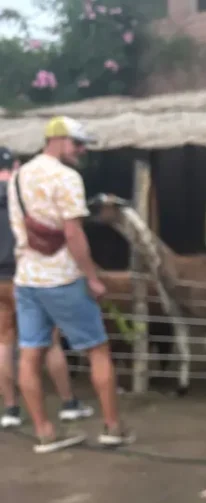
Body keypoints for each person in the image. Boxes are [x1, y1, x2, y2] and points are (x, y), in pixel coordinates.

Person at [7, 117, 132, 453]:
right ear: (59, 140)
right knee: (98, 349)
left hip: (27, 279)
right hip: (62, 278)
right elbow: (73, 233)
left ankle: (45, 432)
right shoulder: (67, 178)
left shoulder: (18, 177)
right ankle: (112, 427)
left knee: (30, 355)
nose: (82, 150)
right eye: (78, 144)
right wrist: (92, 277)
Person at [0, 146, 94, 429]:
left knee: (3, 342)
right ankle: (68, 403)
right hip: (24, 276)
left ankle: (10, 409)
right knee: (49, 340)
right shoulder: (22, 196)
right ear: (17, 165)